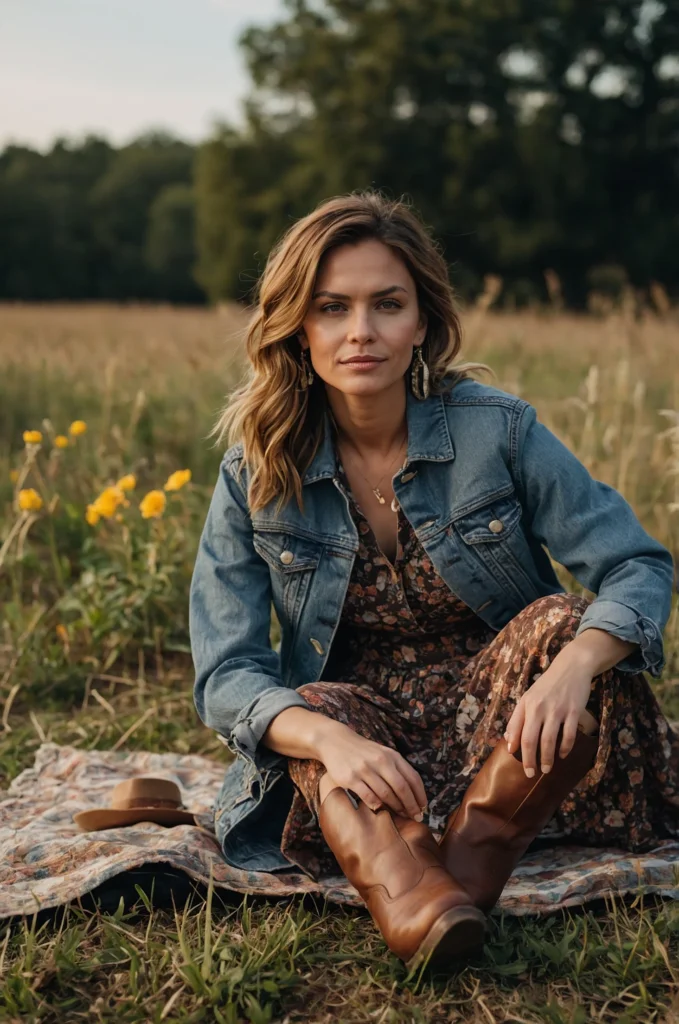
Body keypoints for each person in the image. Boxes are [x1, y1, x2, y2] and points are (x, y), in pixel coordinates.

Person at [189, 190, 678, 972]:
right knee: (308, 709)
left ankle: (459, 862)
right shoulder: (256, 471)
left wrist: (573, 668)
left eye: (387, 304)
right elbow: (227, 671)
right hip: (376, 745)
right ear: (297, 326)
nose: (361, 332)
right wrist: (331, 741)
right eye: (332, 308)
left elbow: (635, 565)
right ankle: (425, 899)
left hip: (518, 732)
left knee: (560, 621)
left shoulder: (498, 430)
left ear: (421, 321)